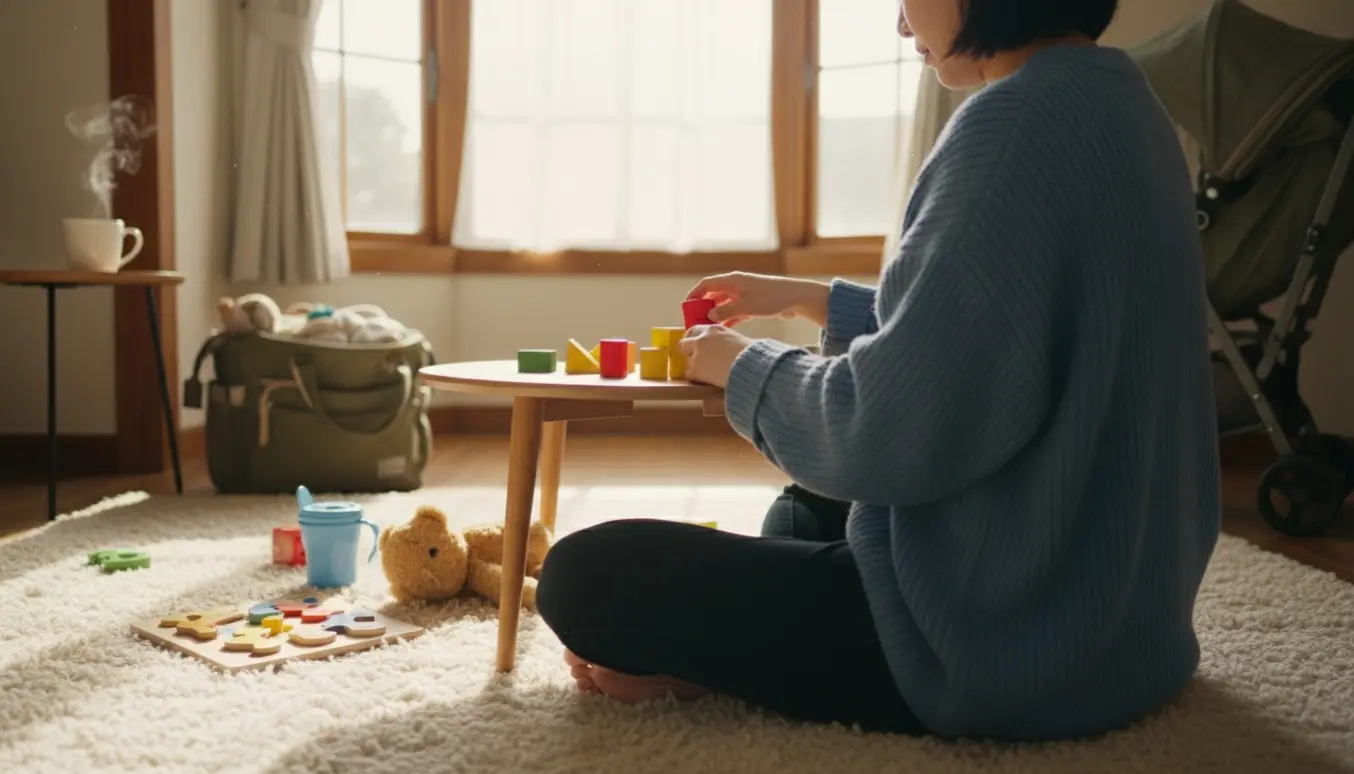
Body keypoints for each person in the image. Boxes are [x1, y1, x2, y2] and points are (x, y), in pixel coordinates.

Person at [535, 0, 1222, 742]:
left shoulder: (1010, 126)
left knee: (586, 577)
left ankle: (721, 662)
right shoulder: (1121, 100)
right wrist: (816, 301)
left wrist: (739, 367)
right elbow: (1004, 335)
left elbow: (883, 434)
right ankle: (734, 652)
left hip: (1002, 647)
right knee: (800, 512)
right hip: (1116, 618)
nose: (900, 25)